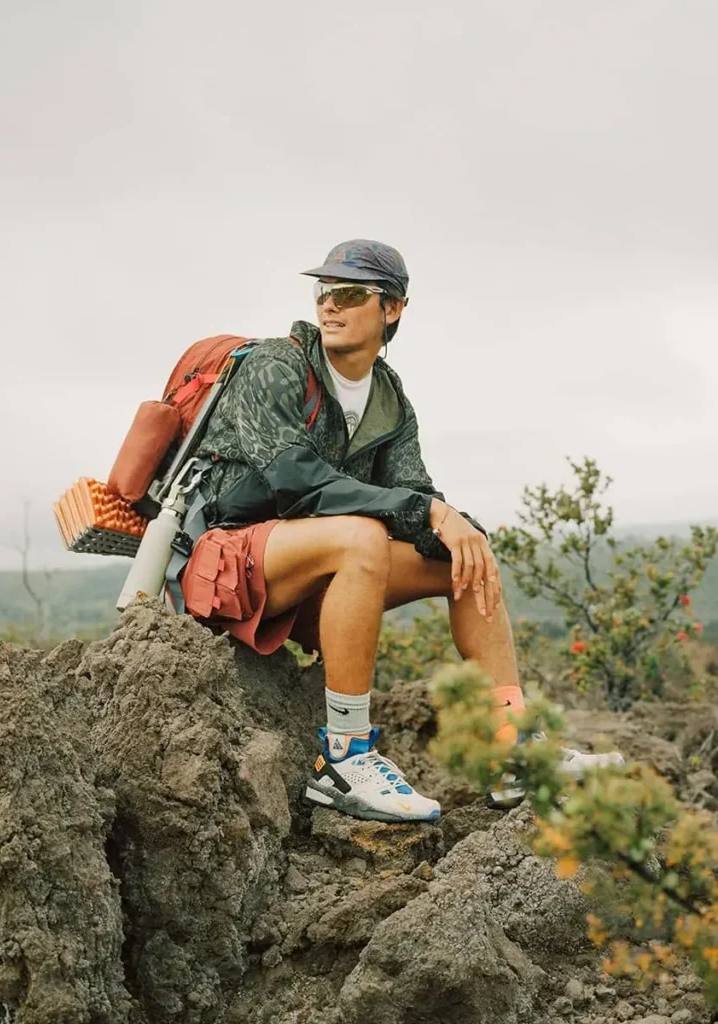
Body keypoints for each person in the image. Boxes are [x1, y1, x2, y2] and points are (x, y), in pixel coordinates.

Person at [175, 239, 622, 823]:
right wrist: (429, 512)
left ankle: (513, 751)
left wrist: (459, 527)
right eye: (324, 292)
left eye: (351, 293)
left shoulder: (388, 396)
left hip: (317, 574)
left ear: (393, 309)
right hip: (228, 562)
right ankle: (344, 758)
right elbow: (295, 482)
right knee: (361, 535)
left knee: (467, 559)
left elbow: (415, 494)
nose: (330, 306)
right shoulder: (276, 366)